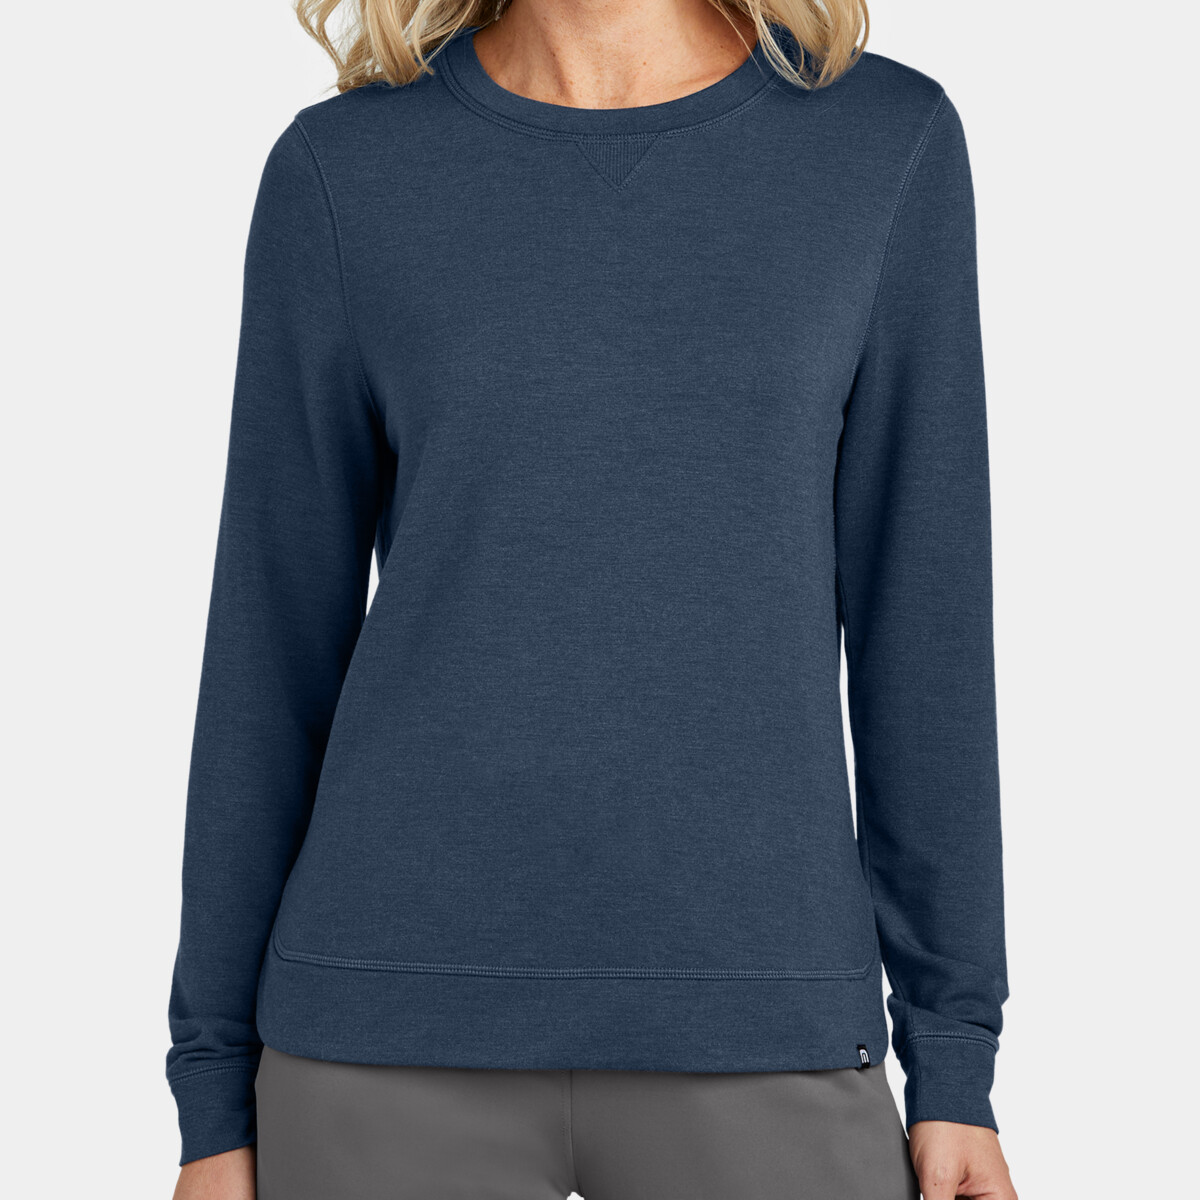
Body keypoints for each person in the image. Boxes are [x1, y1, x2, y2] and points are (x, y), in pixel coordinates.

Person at [167, 0, 1018, 1196]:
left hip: (764, 1019)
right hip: (383, 1027)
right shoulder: (345, 168)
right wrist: (213, 1094)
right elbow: (269, 644)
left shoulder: (884, 143)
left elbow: (924, 634)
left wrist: (954, 1056)